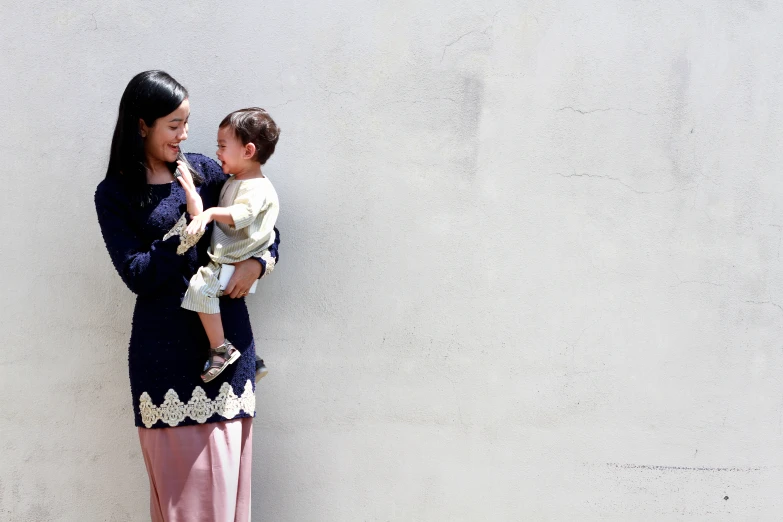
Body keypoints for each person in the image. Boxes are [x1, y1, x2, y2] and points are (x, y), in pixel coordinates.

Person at [94, 70, 278, 521]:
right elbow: (138, 273)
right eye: (174, 124)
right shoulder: (115, 194)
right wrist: (187, 230)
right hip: (165, 368)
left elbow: (263, 224)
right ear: (142, 125)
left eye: (187, 122)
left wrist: (257, 263)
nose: (185, 134)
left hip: (228, 356)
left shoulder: (207, 170)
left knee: (225, 507)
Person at [174, 107, 280, 383]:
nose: (218, 152)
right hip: (225, 261)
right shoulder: (235, 180)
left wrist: (207, 214)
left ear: (247, 151)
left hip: (232, 263)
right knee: (209, 299)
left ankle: (221, 349)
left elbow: (240, 216)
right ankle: (247, 357)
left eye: (222, 146)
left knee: (199, 291)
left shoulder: (257, 187)